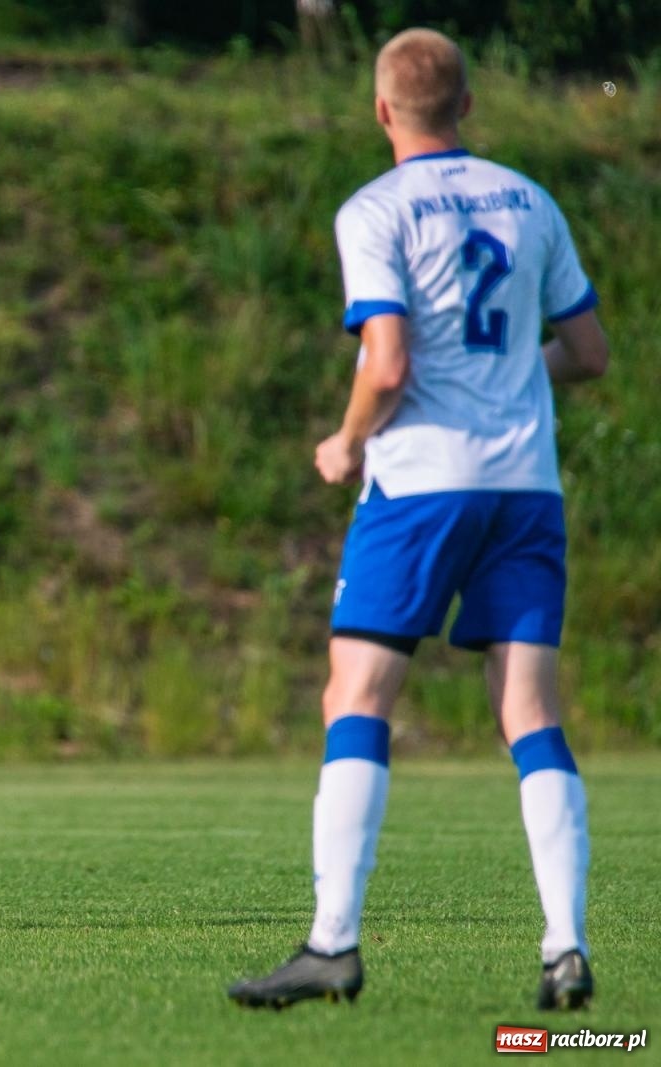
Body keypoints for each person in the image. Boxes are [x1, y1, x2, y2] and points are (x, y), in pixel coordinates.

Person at [227, 29, 609, 1010]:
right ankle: (564, 942)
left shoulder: (376, 209)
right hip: (524, 485)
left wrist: (347, 440)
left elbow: (388, 363)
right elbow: (588, 350)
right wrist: (517, 378)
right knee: (528, 710)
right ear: (468, 105)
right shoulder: (531, 201)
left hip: (419, 483)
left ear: (382, 111)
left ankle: (332, 942)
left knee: (355, 696)